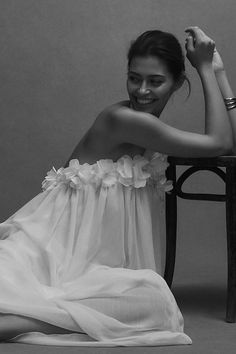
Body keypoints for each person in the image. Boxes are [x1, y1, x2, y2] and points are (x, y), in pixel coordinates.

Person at [0, 26, 232, 347]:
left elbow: (227, 143)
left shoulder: (148, 125)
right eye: (134, 78)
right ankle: (13, 323)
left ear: (178, 82)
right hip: (51, 251)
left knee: (148, 304)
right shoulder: (127, 120)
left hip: (83, 257)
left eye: (155, 81)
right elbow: (220, 142)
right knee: (154, 306)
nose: (142, 91)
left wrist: (218, 72)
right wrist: (205, 67)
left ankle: (19, 320)